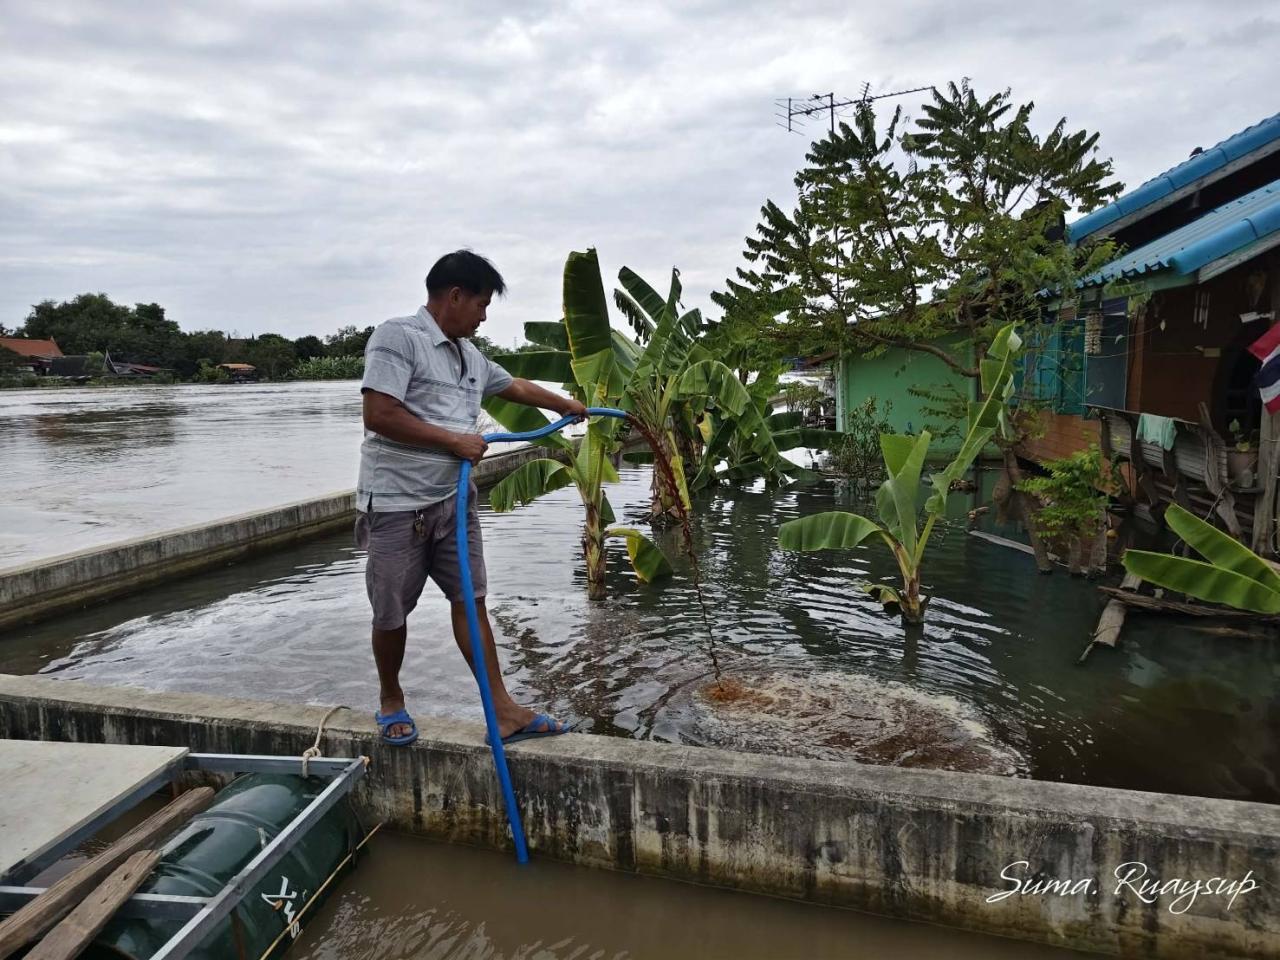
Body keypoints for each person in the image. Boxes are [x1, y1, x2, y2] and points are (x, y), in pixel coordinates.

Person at [356, 250, 587, 746]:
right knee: (391, 613)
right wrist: (453, 440)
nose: (483, 316)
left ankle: (502, 710)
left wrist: (563, 403)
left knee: (471, 600)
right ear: (455, 296)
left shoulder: (468, 356)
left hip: (452, 502)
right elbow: (379, 414)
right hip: (397, 504)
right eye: (481, 304)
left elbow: (514, 385)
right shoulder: (398, 337)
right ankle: (391, 699)